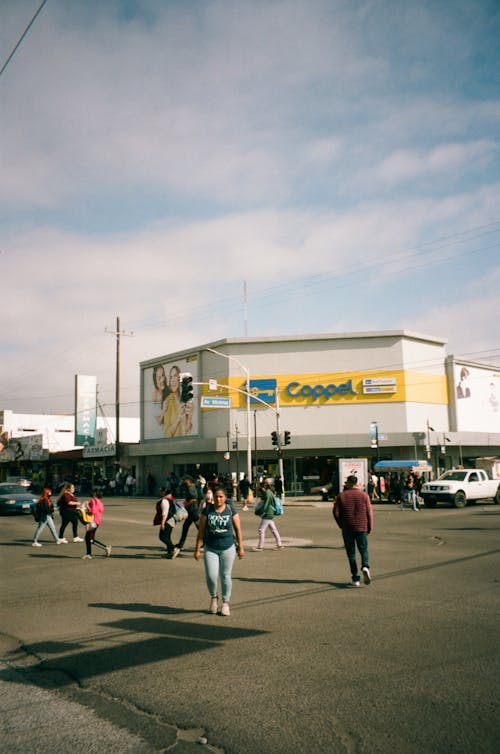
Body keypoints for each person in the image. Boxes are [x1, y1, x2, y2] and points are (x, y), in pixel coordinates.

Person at [194, 485, 245, 616]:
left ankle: (226, 603)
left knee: (225, 576)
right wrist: (197, 550)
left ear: (225, 498)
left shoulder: (230, 509)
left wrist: (241, 547)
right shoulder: (207, 510)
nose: (218, 499)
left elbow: (238, 529)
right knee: (211, 576)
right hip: (211, 547)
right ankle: (214, 598)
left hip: (228, 547)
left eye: (221, 497)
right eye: (216, 496)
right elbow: (201, 531)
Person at [333, 475, 373, 587]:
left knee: (351, 553)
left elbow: (335, 512)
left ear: (349, 483)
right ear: (356, 483)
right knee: (363, 549)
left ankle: (355, 578)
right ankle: (365, 566)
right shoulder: (364, 495)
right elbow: (369, 513)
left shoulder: (341, 496)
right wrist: (370, 527)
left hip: (347, 528)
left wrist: (341, 524)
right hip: (362, 527)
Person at [253, 480, 284, 551]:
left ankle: (260, 546)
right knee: (273, 529)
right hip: (271, 512)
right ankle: (279, 544)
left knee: (261, 529)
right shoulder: (269, 492)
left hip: (267, 513)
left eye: (261, 487)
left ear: (264, 487)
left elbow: (265, 505)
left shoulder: (267, 493)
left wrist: (260, 511)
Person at [163, 365, 193, 437]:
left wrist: (189, 417)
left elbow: (188, 431)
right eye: (171, 377)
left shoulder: (187, 399)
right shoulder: (168, 401)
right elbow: (166, 434)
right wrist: (178, 419)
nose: (173, 380)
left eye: (175, 376)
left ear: (180, 379)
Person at [82, 490, 112, 559]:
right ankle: (89, 553)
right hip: (97, 521)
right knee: (88, 538)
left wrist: (87, 506)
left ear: (95, 494)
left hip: (93, 521)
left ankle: (105, 548)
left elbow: (93, 511)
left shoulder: (93, 500)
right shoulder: (99, 502)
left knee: (90, 539)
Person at [175, 475, 200, 553]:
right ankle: (181, 544)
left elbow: (194, 499)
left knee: (188, 528)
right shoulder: (190, 487)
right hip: (192, 511)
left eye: (184, 480)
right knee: (197, 528)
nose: (183, 481)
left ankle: (180, 544)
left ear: (188, 480)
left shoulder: (190, 487)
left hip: (193, 511)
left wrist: (185, 505)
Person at [153, 487, 180, 559]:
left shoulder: (164, 501)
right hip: (171, 520)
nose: (159, 492)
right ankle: (170, 553)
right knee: (167, 537)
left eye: (160, 491)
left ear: (164, 492)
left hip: (168, 520)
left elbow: (165, 513)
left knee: (162, 536)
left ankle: (174, 549)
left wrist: (162, 523)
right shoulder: (170, 498)